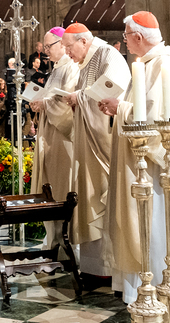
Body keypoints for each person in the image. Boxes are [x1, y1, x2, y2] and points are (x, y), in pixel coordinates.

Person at [101, 12, 170, 308]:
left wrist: (121, 108)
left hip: (157, 168)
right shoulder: (147, 64)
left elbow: (154, 120)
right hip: (144, 166)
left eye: (126, 36)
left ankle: (167, 286)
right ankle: (143, 288)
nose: (125, 41)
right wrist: (120, 109)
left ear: (138, 36)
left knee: (159, 226)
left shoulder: (163, 64)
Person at [61, 22, 131, 283]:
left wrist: (79, 97)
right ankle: (92, 268)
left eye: (69, 47)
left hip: (104, 145)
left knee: (102, 199)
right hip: (87, 146)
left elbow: (113, 91)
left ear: (84, 41)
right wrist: (78, 99)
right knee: (87, 198)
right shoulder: (86, 62)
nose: (67, 52)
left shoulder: (107, 55)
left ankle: (107, 270)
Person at [29, 27, 77, 248]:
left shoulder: (71, 67)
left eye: (49, 46)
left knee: (61, 188)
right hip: (49, 135)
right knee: (50, 189)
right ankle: (53, 241)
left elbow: (67, 103)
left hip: (62, 139)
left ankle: (66, 244)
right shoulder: (55, 70)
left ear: (62, 44)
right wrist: (38, 103)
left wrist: (44, 104)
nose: (46, 51)